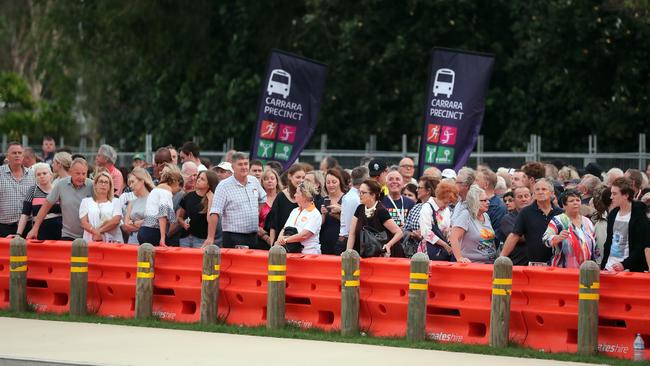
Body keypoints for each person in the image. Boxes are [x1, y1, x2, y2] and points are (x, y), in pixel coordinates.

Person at [204, 152, 266, 248]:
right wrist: (210, 238)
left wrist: (255, 213)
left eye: (246, 164)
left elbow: (262, 198)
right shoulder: (223, 186)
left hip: (253, 235)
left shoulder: (254, 181)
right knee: (236, 263)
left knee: (252, 263)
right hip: (233, 236)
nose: (244, 167)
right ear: (233, 167)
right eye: (240, 164)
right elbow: (215, 212)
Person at [27, 158, 93, 241]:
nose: (81, 177)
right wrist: (35, 228)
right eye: (78, 173)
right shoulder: (61, 185)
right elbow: (46, 205)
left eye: (84, 174)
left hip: (88, 235)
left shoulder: (92, 185)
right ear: (71, 172)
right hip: (68, 235)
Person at [501, 178, 564, 265]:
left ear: (552, 193)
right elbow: (514, 235)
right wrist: (501, 258)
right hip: (535, 264)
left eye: (544, 189)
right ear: (533, 194)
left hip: (557, 263)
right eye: (537, 190)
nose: (540, 192)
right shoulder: (526, 212)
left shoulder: (561, 213)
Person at [601, 177, 650, 272]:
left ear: (626, 195)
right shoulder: (613, 214)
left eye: (614, 194)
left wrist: (624, 264)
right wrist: (603, 265)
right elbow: (608, 243)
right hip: (609, 267)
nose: (611, 197)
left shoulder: (639, 215)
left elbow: (641, 246)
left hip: (629, 270)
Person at [346, 179, 404, 257]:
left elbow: (399, 232)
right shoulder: (360, 208)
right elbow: (352, 233)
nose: (360, 195)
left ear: (373, 195)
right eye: (359, 192)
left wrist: (388, 245)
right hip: (363, 253)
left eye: (363, 193)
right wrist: (348, 252)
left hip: (381, 255)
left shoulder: (381, 211)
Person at [542, 189, 597, 268]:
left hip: (586, 271)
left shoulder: (587, 221)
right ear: (564, 205)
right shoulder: (558, 220)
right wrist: (557, 238)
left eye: (578, 200)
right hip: (563, 271)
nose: (575, 203)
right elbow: (545, 239)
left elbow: (596, 247)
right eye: (571, 201)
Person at [448, 185, 498, 264]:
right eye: (484, 200)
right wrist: (460, 258)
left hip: (490, 263)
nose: (488, 202)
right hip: (472, 265)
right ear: (475, 201)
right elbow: (453, 237)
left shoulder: (485, 215)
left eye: (488, 200)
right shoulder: (466, 215)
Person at [138, 164, 182, 246]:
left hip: (143, 230)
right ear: (176, 183)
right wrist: (162, 237)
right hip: (153, 232)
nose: (177, 192)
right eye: (178, 189)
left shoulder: (156, 190)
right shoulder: (166, 192)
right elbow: (162, 214)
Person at [16, 163, 61, 239]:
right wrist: (18, 234)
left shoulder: (59, 190)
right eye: (38, 174)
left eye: (44, 173)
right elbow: (25, 214)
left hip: (59, 232)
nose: (42, 176)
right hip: (39, 233)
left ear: (51, 175)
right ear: (35, 178)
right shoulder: (32, 191)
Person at [275, 181, 322, 254]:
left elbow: (304, 235)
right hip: (291, 253)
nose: (294, 195)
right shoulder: (295, 211)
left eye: (297, 192)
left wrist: (285, 240)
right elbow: (284, 228)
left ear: (305, 195)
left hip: (308, 254)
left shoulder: (315, 214)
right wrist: (279, 240)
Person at [417, 179, 458, 260]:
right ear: (439, 196)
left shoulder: (446, 210)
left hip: (443, 252)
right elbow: (426, 233)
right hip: (429, 251)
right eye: (445, 202)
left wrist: (448, 231)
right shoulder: (426, 208)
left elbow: (448, 227)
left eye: (449, 203)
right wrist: (445, 245)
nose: (446, 206)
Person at [0, 143, 36, 237]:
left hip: (27, 227)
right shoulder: (0, 173)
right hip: (4, 227)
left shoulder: (32, 174)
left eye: (20, 153)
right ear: (7, 156)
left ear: (23, 156)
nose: (17, 155)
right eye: (14, 153)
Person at [177, 170, 219, 248]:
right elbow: (179, 217)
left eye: (202, 179)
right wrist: (183, 223)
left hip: (201, 239)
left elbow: (210, 220)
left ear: (209, 184)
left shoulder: (212, 199)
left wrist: (210, 200)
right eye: (199, 177)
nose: (198, 180)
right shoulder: (188, 196)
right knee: (183, 259)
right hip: (185, 237)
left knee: (198, 260)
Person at [79, 171, 123, 243]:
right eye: (101, 181)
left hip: (112, 242)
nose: (103, 184)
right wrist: (94, 232)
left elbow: (116, 220)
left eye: (106, 182)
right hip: (91, 241)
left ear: (110, 186)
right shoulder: (86, 201)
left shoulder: (116, 201)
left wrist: (98, 231)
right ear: (95, 185)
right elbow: (83, 222)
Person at [266, 164, 305, 245]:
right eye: (298, 177)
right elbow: (273, 225)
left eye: (303, 178)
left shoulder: (306, 198)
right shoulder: (281, 197)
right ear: (290, 176)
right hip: (281, 244)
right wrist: (272, 245)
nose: (301, 180)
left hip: (302, 244)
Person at [496, 186, 532, 265]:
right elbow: (518, 237)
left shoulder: (537, 215)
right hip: (516, 265)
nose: (523, 199)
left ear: (531, 198)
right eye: (520, 197)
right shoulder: (508, 219)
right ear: (514, 200)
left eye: (526, 196)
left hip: (536, 264)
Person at [337, 166, 368, 255]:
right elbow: (350, 226)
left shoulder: (356, 196)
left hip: (354, 240)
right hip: (348, 242)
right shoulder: (352, 198)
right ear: (364, 180)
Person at [122, 168, 154, 244]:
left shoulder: (153, 199)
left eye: (132, 182)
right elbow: (126, 226)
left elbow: (155, 221)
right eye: (129, 183)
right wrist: (141, 223)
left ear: (142, 181)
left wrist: (133, 223)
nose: (130, 186)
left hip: (148, 241)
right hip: (132, 241)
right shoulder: (132, 201)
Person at [319, 169, 346, 254]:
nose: (331, 185)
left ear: (340, 182)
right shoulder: (322, 200)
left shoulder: (347, 199)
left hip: (341, 242)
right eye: (328, 182)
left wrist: (341, 211)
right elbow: (317, 225)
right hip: (324, 241)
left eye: (334, 182)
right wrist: (323, 214)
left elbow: (352, 222)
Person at [475, 169, 507, 238]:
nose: (473, 183)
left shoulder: (499, 208)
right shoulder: (474, 203)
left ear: (486, 184)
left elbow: (496, 237)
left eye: (476, 180)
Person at [258, 167, 282, 248]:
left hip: (281, 240)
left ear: (277, 181)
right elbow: (253, 222)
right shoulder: (258, 199)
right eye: (266, 179)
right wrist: (266, 238)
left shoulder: (283, 198)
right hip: (261, 240)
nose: (269, 181)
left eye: (272, 178)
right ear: (262, 182)